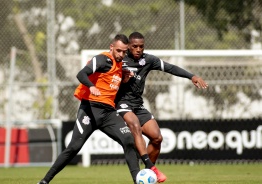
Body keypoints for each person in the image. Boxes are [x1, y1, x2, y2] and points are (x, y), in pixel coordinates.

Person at [37, 34, 140, 184]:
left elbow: (111, 86)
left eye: (124, 52)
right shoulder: (101, 59)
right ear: (111, 47)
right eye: (118, 51)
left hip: (108, 113)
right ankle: (45, 181)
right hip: (90, 109)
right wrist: (91, 86)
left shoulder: (120, 66)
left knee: (128, 140)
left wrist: (124, 80)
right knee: (73, 148)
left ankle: (138, 180)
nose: (121, 54)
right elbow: (81, 74)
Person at [115, 32, 208, 169]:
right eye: (135, 46)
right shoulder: (119, 59)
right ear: (128, 46)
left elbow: (170, 68)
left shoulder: (148, 60)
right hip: (121, 104)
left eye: (141, 46)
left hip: (137, 105)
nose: (138, 49)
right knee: (135, 129)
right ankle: (139, 168)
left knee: (157, 138)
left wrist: (191, 76)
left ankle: (148, 174)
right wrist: (122, 80)